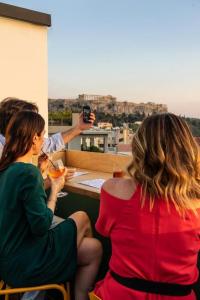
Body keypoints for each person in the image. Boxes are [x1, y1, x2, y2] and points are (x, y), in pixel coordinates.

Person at [94, 113, 200, 300]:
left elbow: (103, 230)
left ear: (139, 149)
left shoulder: (113, 190)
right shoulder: (196, 204)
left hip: (119, 294)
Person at [0, 110, 102, 300]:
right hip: (28, 265)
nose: (44, 139)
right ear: (33, 139)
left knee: (94, 248)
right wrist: (55, 189)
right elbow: (41, 226)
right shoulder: (27, 173)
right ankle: (69, 283)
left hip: (7, 264)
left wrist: (40, 173)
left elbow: (21, 200)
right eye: (42, 135)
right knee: (81, 216)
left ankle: (78, 294)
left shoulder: (6, 170)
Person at [0, 97, 95, 157]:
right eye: (32, 122)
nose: (40, 130)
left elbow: (51, 143)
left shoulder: (25, 142)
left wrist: (79, 127)